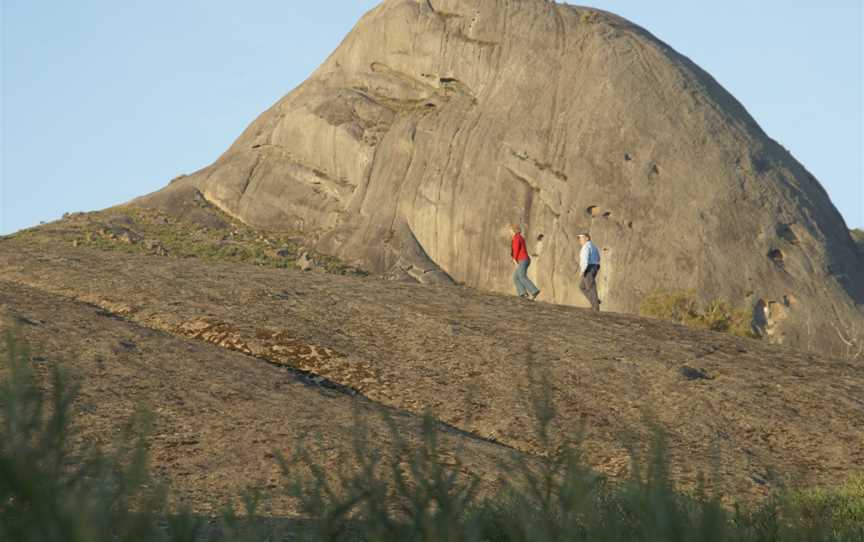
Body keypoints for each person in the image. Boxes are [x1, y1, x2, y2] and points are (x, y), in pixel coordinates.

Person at [510, 224, 541, 300]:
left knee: (521, 276)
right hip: (524, 259)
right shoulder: (520, 237)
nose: (510, 232)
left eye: (510, 230)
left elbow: (516, 250)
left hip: (522, 260)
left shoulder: (516, 238)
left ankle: (534, 291)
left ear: (514, 231)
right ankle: (523, 293)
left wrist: (514, 260)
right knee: (516, 276)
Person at [577, 232, 601, 311]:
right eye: (579, 238)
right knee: (582, 286)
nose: (580, 239)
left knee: (590, 287)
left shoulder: (586, 247)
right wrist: (596, 266)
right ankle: (595, 301)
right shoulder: (593, 246)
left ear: (587, 238)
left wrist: (582, 270)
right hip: (594, 267)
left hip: (588, 268)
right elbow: (598, 257)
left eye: (581, 237)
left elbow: (585, 260)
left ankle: (595, 307)